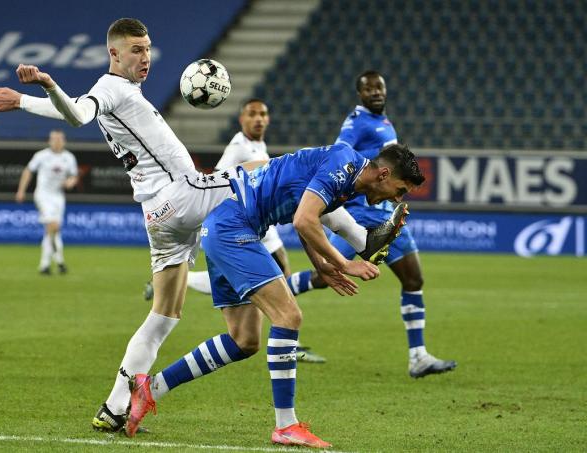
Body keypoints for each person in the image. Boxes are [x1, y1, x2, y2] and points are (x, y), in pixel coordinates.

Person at [0, 18, 244, 434]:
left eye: (149, 48)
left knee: (164, 317)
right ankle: (355, 228)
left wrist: (25, 102)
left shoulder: (118, 94)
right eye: (136, 49)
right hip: (182, 195)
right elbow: (79, 114)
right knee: (263, 178)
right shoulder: (112, 87)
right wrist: (46, 83)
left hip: (158, 214)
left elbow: (76, 108)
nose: (146, 56)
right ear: (114, 54)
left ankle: (115, 407)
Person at [125, 143, 424, 448]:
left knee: (244, 339)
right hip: (234, 227)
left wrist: (322, 264)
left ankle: (150, 388)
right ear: (384, 174)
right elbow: (303, 221)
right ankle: (286, 425)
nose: (397, 199)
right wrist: (345, 263)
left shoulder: (347, 180)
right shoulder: (344, 164)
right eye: (400, 190)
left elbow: (307, 216)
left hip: (227, 226)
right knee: (289, 316)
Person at [286, 70, 457, 378]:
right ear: (360, 94)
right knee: (327, 274)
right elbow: (339, 154)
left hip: (387, 214)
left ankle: (418, 356)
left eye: (379, 87)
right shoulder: (356, 123)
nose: (376, 92)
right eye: (369, 89)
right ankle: (265, 293)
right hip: (363, 213)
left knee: (413, 279)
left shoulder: (384, 121)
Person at [143, 98, 326, 363]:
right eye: (252, 114)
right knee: (271, 281)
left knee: (280, 276)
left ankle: (285, 337)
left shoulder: (258, 144)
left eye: (263, 114)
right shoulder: (238, 146)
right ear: (242, 119)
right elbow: (216, 180)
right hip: (240, 218)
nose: (259, 119)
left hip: (263, 219)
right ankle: (285, 339)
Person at [16, 130, 78, 274]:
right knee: (53, 226)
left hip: (58, 197)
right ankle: (50, 263)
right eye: (53, 139)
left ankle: (54, 263)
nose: (56, 141)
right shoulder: (41, 156)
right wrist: (21, 191)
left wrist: (70, 182)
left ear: (64, 141)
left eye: (59, 139)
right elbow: (28, 171)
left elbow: (74, 176)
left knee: (54, 231)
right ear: (49, 141)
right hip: (43, 195)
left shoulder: (69, 158)